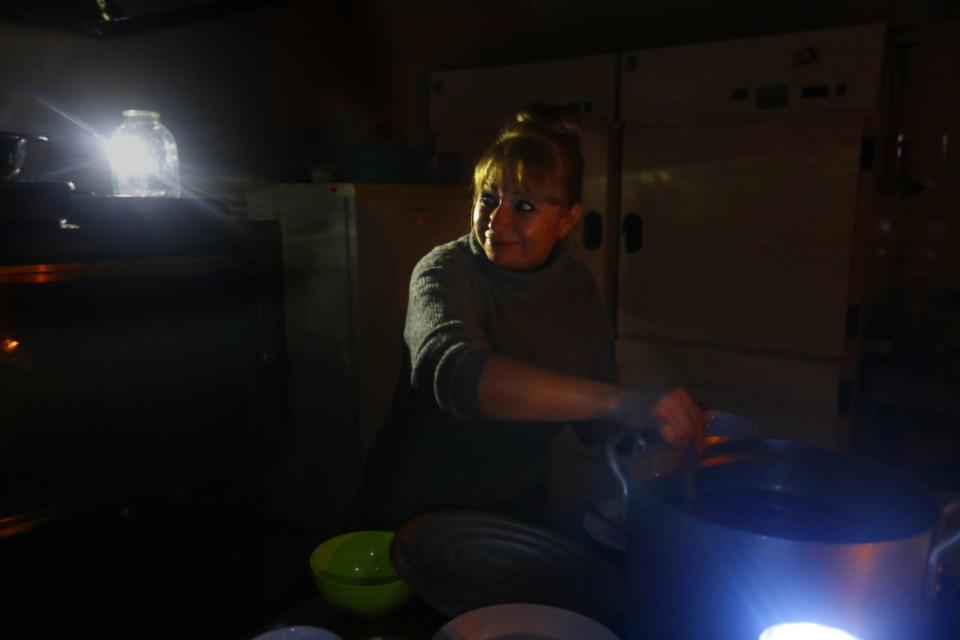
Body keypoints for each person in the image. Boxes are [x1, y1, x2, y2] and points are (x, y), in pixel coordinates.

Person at [359, 104, 703, 530]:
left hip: (516, 505)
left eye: (523, 206)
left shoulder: (576, 286)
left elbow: (595, 422)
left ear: (567, 220)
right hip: (418, 513)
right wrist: (620, 402)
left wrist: (657, 429)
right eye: (488, 198)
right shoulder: (445, 272)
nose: (495, 221)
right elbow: (458, 375)